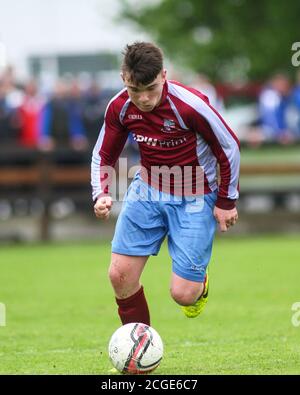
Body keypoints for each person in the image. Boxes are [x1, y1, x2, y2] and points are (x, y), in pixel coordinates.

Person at [91, 42, 240, 326]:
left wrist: (226, 201)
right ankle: (138, 348)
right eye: (136, 90)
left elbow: (228, 147)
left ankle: (199, 284)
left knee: (184, 295)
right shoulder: (119, 107)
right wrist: (101, 193)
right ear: (124, 79)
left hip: (195, 195)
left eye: (151, 89)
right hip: (146, 189)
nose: (144, 99)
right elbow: (104, 154)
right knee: (119, 275)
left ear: (164, 76)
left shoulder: (191, 105)